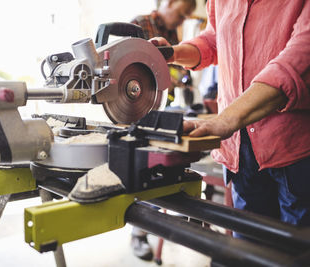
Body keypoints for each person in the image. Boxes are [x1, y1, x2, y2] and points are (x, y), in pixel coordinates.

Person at [150, 0, 310, 237]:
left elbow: (299, 58)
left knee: (296, 251)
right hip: (240, 147)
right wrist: (173, 53)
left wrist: (225, 120)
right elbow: (215, 40)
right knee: (247, 248)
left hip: (293, 147)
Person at [129, 0, 196, 260]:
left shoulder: (172, 34)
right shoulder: (139, 24)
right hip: (135, 108)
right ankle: (138, 233)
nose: (181, 21)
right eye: (180, 14)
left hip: (160, 109)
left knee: (160, 169)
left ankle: (159, 223)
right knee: (139, 169)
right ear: (169, 3)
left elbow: (172, 71)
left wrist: (183, 78)